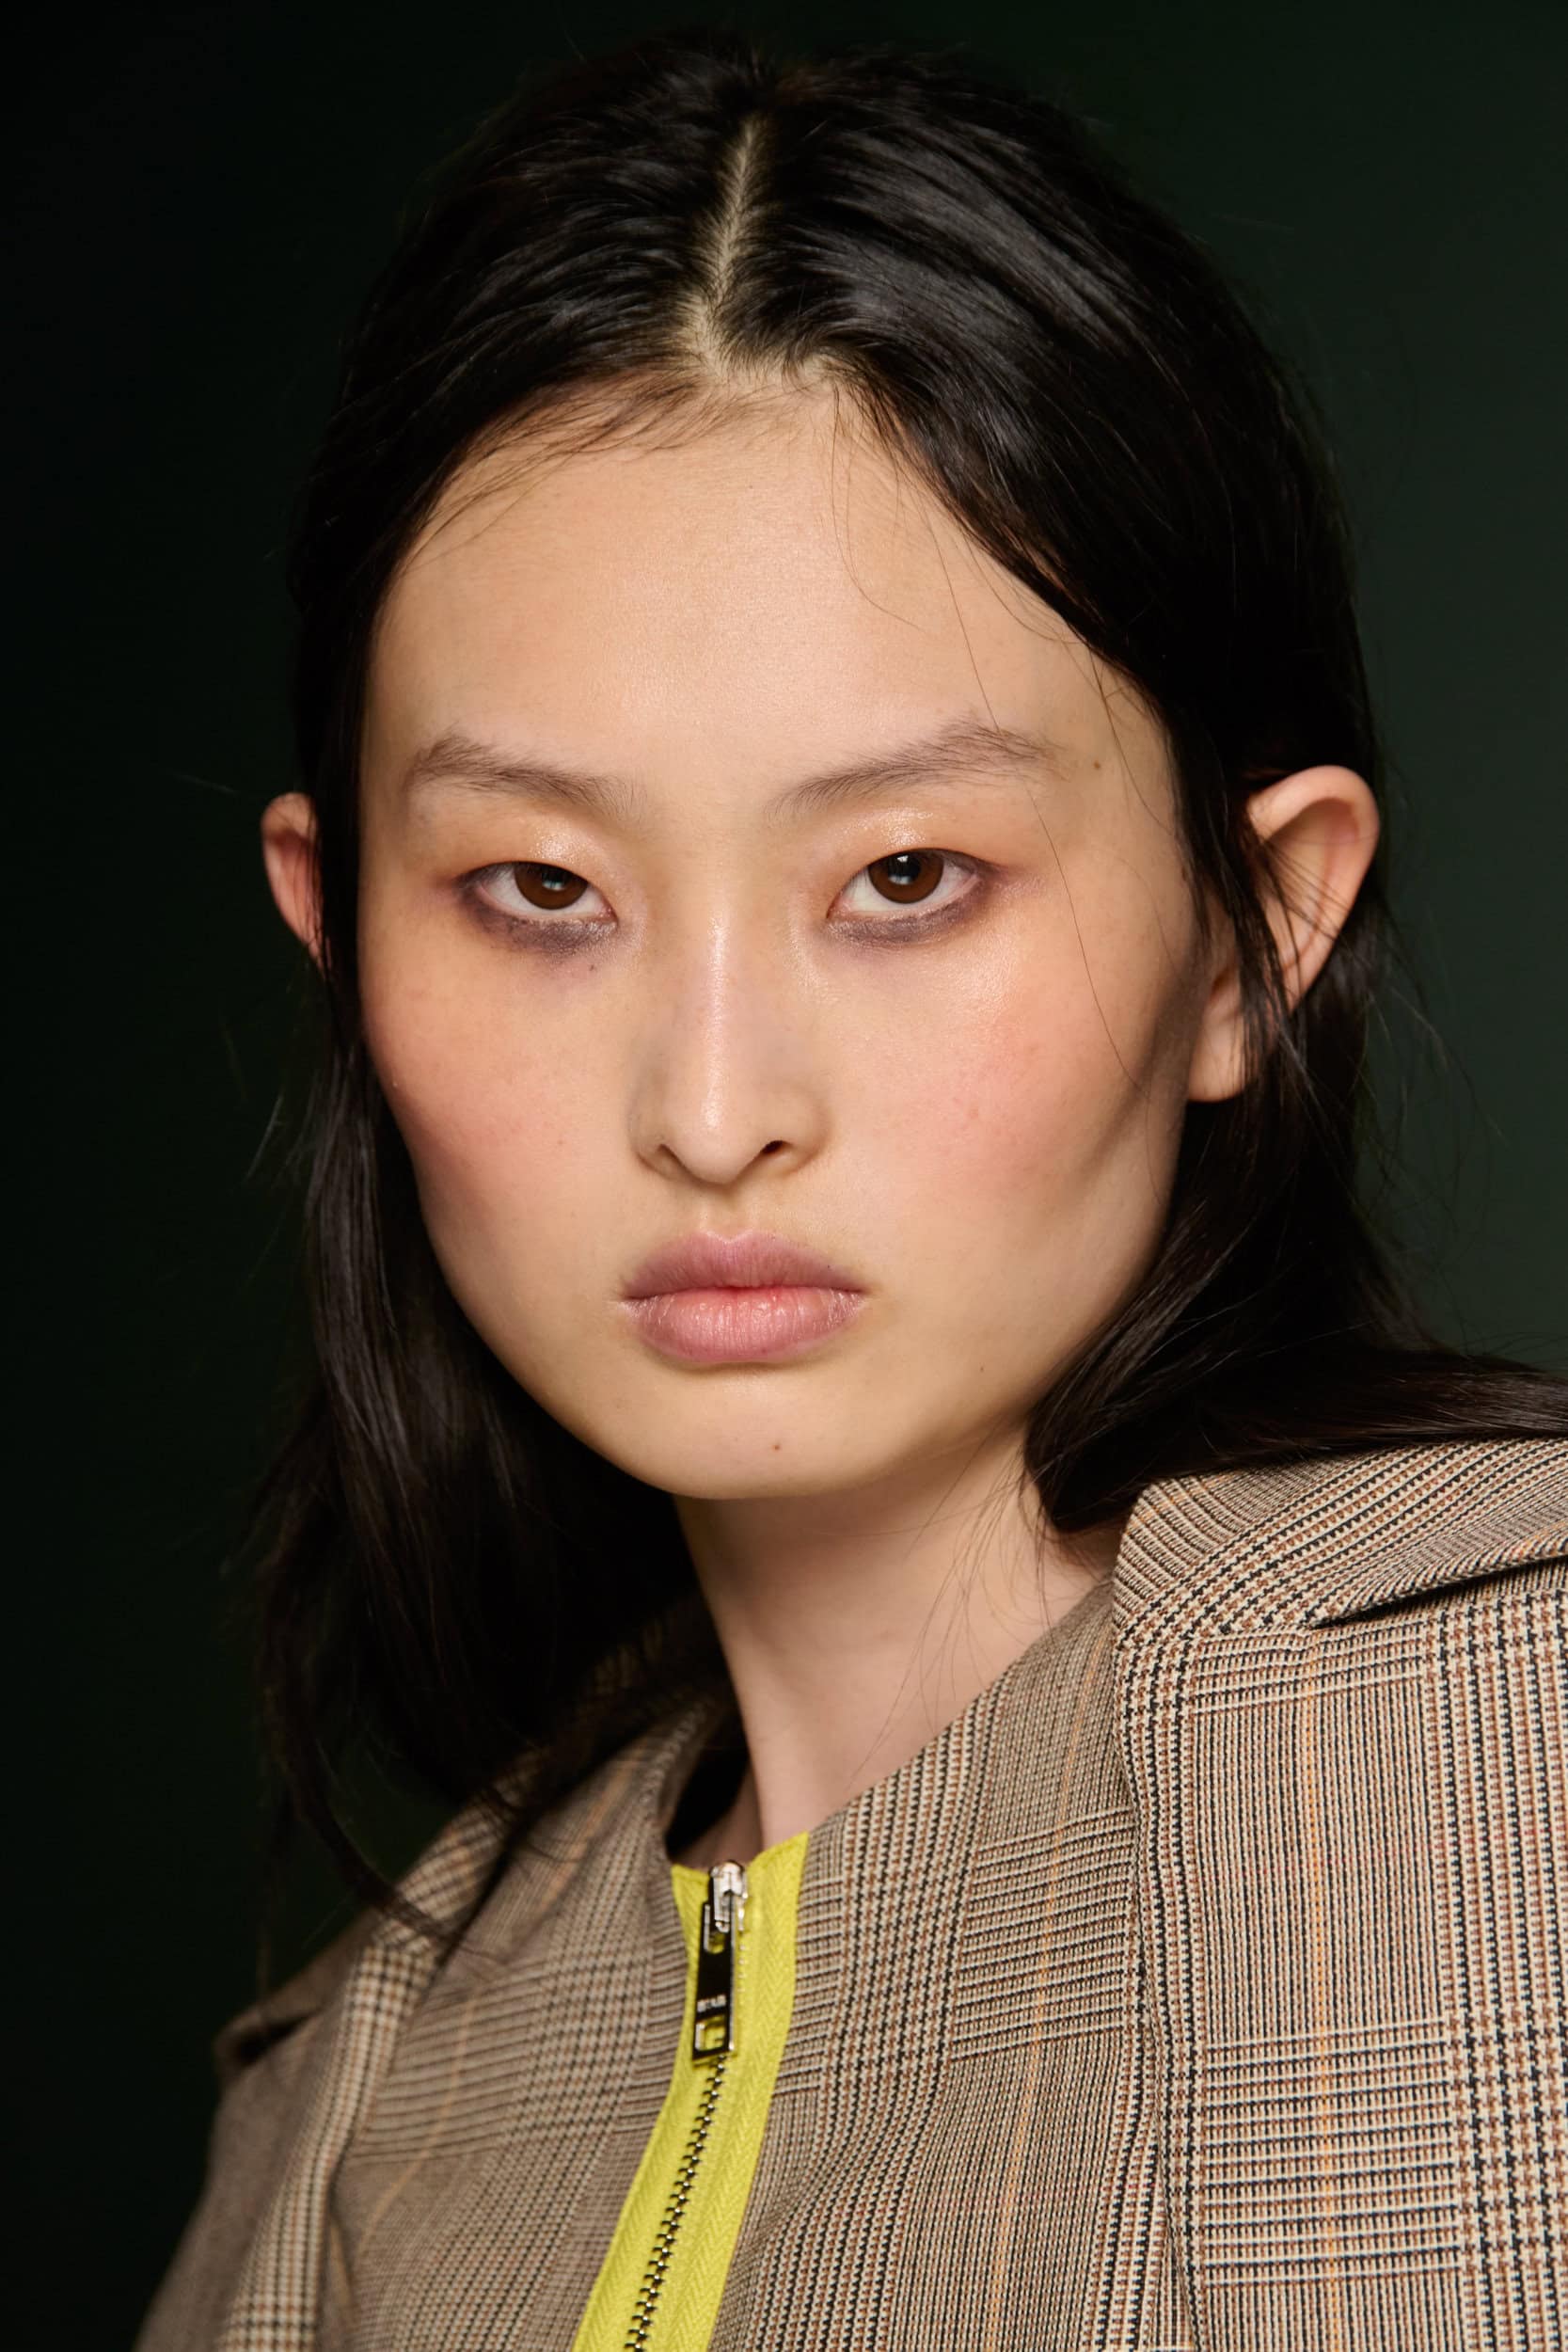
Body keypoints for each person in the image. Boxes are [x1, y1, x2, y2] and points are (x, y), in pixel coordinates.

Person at [136, 24, 1567, 2350]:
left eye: (906, 874)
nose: (715, 1107)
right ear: (344, 944)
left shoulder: (1514, 1746)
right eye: (538, 888)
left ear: (1254, 935)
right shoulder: (343, 2114)